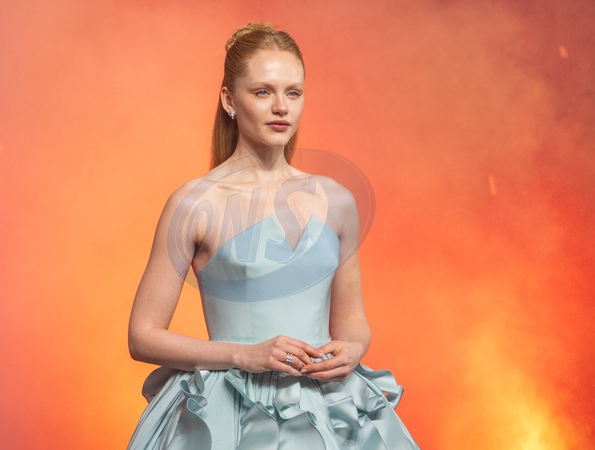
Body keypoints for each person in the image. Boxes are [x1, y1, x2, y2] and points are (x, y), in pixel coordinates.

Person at [127, 23, 419, 450]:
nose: (281, 107)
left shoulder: (336, 201)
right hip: (231, 410)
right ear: (229, 100)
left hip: (330, 406)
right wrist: (242, 354)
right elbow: (143, 335)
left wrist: (353, 349)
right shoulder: (195, 203)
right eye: (263, 92)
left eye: (293, 92)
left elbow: (352, 321)